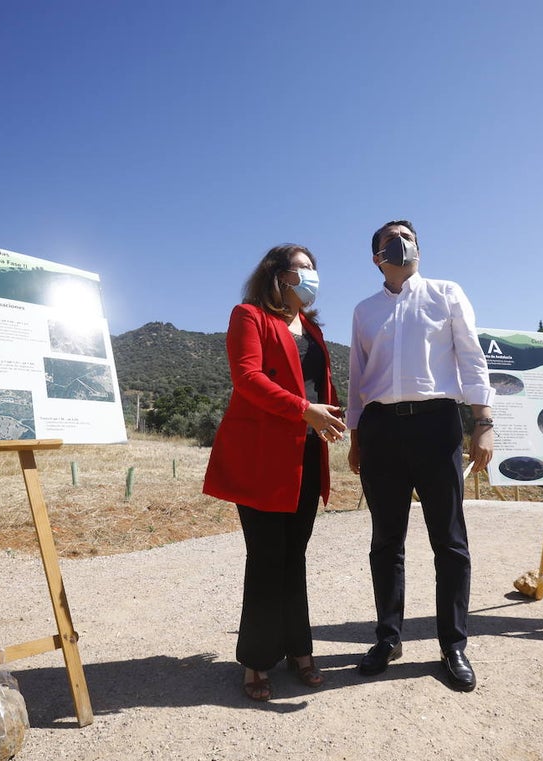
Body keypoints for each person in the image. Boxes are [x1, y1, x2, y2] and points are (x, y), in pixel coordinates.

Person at [347, 220, 494, 693]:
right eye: (393, 238)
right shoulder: (364, 310)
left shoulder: (446, 293)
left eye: (409, 237)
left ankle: (453, 645)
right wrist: (355, 436)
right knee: (386, 541)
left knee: (449, 541)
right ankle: (388, 638)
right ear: (377, 256)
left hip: (437, 424)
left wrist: (483, 423)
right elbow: (356, 376)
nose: (404, 243)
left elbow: (471, 357)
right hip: (381, 429)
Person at [203, 243, 345, 703]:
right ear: (277, 275)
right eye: (302, 268)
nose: (310, 276)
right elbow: (247, 378)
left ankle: (299, 650)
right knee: (266, 558)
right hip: (263, 456)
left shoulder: (314, 330)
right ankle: (256, 661)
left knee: (294, 557)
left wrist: (337, 418)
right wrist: (305, 410)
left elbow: (321, 385)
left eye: (313, 268)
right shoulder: (249, 316)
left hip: (306, 456)